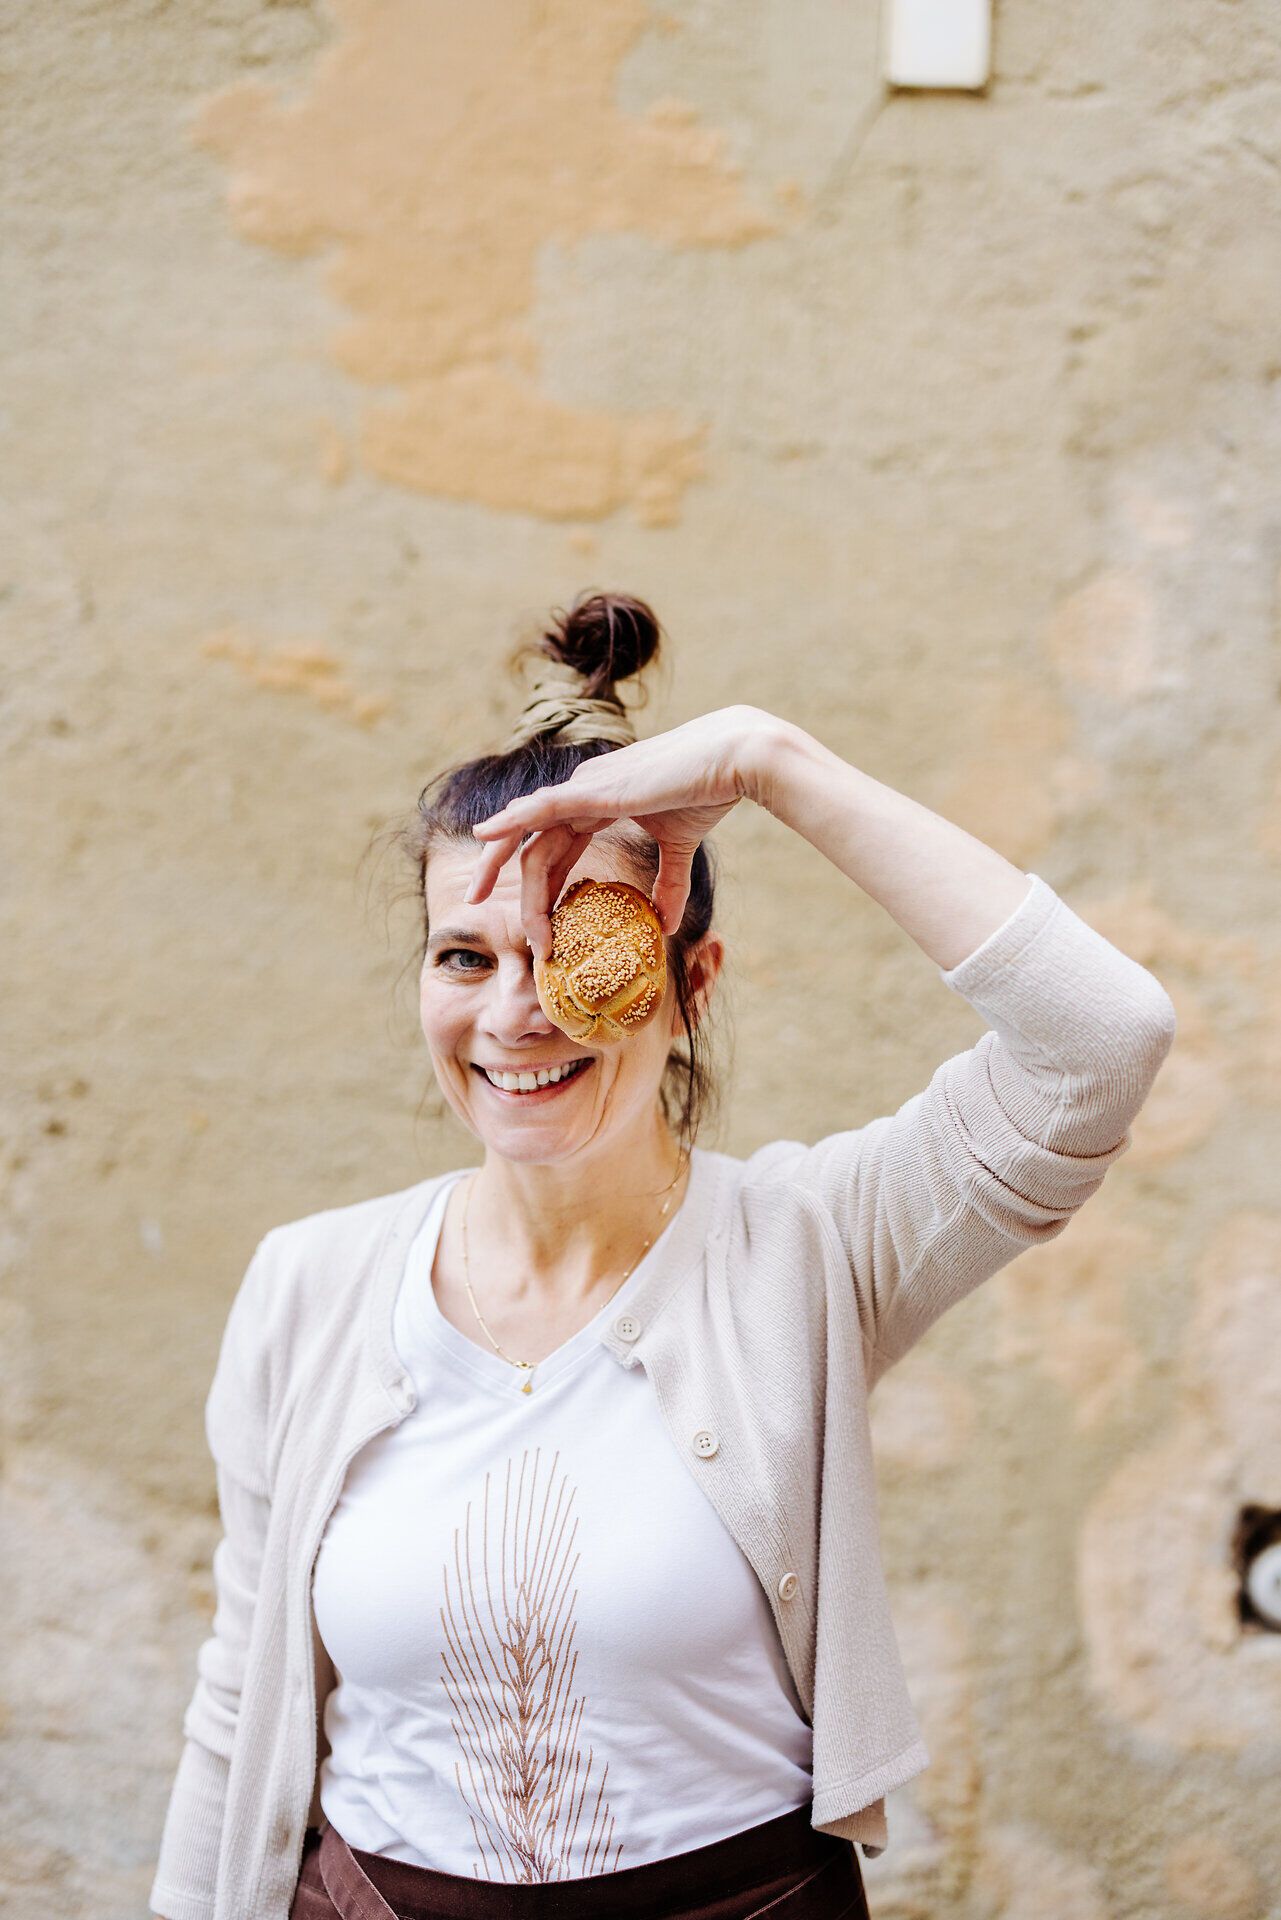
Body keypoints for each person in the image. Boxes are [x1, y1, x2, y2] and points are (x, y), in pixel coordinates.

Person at [150, 590, 1177, 1920]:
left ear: (691, 983)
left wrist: (768, 762)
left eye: (574, 952)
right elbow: (240, 1701)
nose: (519, 1011)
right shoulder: (308, 1285)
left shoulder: (807, 1247)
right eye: (465, 954)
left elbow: (1101, 1041)